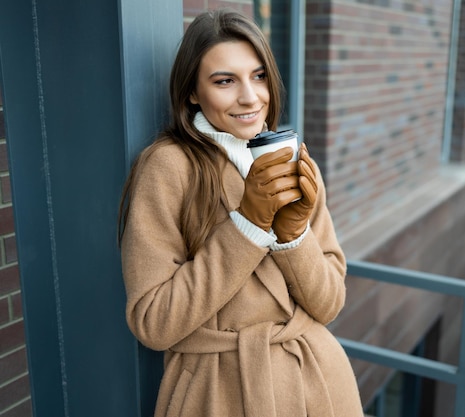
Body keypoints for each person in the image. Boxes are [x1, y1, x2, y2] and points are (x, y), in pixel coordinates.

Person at [118, 8, 363, 417]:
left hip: (318, 387)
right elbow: (153, 323)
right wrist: (246, 226)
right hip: (218, 393)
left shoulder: (295, 161)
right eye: (225, 81)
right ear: (193, 92)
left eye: (259, 75)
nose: (250, 97)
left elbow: (330, 305)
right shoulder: (168, 167)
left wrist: (294, 236)